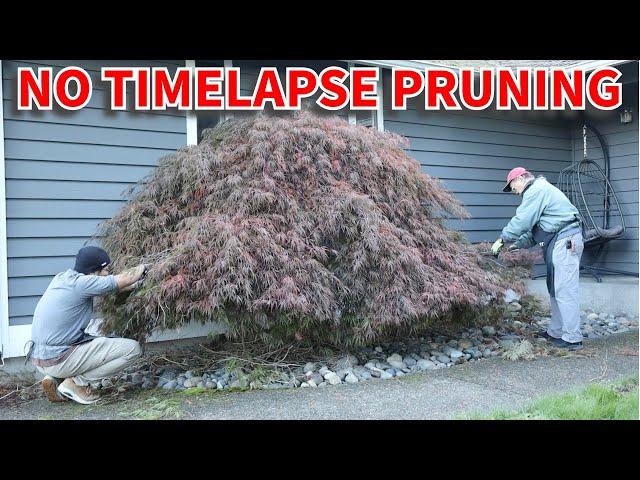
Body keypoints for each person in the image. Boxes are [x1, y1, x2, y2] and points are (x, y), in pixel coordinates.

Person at [27, 246, 147, 404]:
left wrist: (136, 286)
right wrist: (144, 267)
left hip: (40, 357)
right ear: (94, 270)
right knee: (132, 349)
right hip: (59, 358)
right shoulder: (83, 283)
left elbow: (113, 287)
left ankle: (56, 379)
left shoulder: (62, 278)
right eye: (105, 270)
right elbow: (124, 279)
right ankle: (76, 383)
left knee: (91, 342)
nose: (107, 274)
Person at [491, 167, 584, 350]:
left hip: (566, 240)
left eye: (512, 186)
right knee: (555, 289)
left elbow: (523, 220)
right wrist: (517, 244)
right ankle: (556, 332)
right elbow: (535, 230)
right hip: (558, 240)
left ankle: (572, 338)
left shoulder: (536, 190)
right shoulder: (540, 191)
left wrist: (502, 238)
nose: (514, 191)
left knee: (565, 290)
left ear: (521, 178)